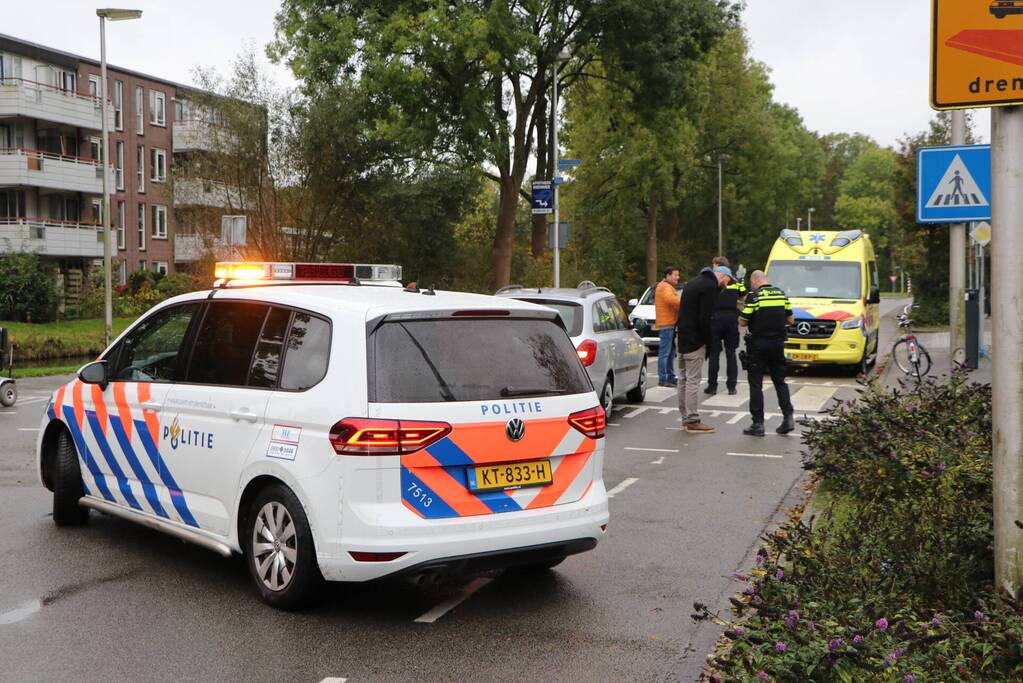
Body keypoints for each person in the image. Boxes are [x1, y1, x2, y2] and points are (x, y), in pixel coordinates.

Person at [676, 264, 732, 434]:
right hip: (695, 340)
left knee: (683, 379)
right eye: (728, 281)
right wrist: (709, 342)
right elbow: (705, 318)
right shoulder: (710, 287)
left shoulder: (692, 282)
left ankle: (685, 417)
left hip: (683, 337)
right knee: (693, 380)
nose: (726, 286)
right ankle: (693, 419)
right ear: (723, 276)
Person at [739, 270, 795, 436]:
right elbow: (791, 320)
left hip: (758, 344)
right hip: (778, 343)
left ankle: (758, 424)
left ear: (755, 281)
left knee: (756, 383)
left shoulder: (754, 297)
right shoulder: (781, 294)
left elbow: (743, 322)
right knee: (780, 381)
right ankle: (788, 417)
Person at [705, 256, 747, 396]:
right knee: (731, 354)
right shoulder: (736, 283)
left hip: (715, 319)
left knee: (714, 354)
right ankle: (731, 387)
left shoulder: (712, 283)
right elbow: (743, 296)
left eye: (714, 265)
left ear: (718, 266)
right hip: (731, 320)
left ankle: (712, 386)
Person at [654, 266, 681, 387]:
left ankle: (670, 377)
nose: (677, 277)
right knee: (665, 352)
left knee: (670, 352)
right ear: (668, 276)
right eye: (675, 275)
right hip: (667, 324)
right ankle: (663, 379)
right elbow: (671, 300)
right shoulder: (665, 286)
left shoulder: (665, 286)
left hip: (669, 324)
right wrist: (684, 301)